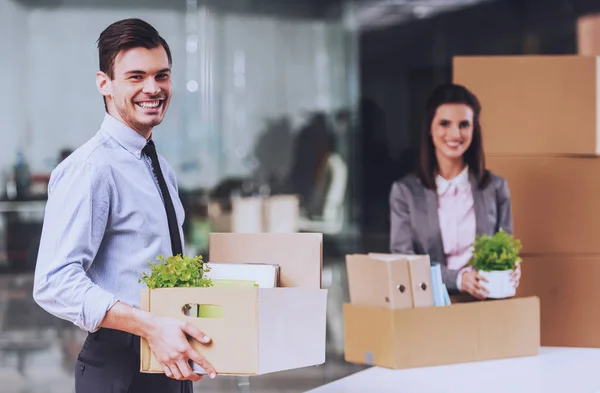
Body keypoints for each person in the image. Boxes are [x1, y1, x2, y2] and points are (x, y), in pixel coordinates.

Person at [32, 18, 216, 393]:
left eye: (161, 75)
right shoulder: (91, 168)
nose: (153, 88)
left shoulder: (158, 166)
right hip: (121, 368)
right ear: (105, 83)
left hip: (169, 355)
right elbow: (54, 283)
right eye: (136, 77)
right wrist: (149, 325)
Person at [389, 83, 521, 300]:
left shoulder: (495, 188)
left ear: (474, 130)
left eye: (464, 125)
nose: (454, 133)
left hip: (485, 306)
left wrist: (510, 266)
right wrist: (458, 279)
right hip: (429, 307)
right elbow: (404, 261)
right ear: (430, 129)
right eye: (444, 123)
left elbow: (505, 246)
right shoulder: (405, 193)